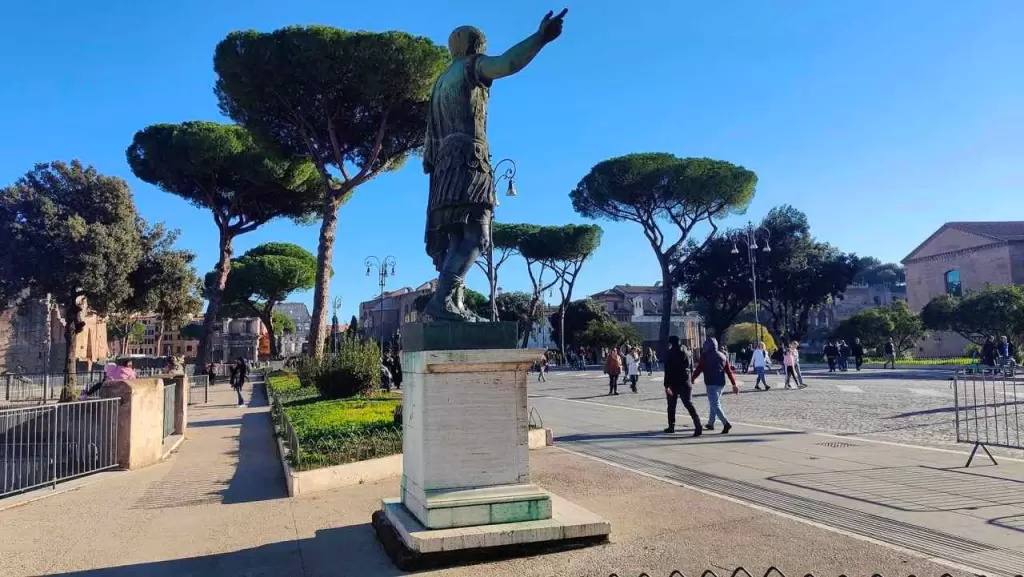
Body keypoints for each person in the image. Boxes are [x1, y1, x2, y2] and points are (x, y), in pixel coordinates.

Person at [691, 337, 739, 434]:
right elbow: (729, 371)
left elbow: (699, 368)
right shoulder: (723, 355)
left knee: (715, 404)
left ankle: (726, 423)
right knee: (714, 403)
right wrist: (734, 384)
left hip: (710, 382)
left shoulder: (705, 355)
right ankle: (710, 423)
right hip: (721, 383)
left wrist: (692, 378)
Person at [663, 336, 701, 436]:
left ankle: (671, 426)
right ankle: (698, 424)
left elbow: (668, 371)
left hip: (673, 383)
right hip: (685, 382)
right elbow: (692, 367)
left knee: (671, 406)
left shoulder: (670, 353)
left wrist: (666, 385)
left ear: (671, 343)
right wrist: (691, 378)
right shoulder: (687, 352)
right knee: (689, 404)